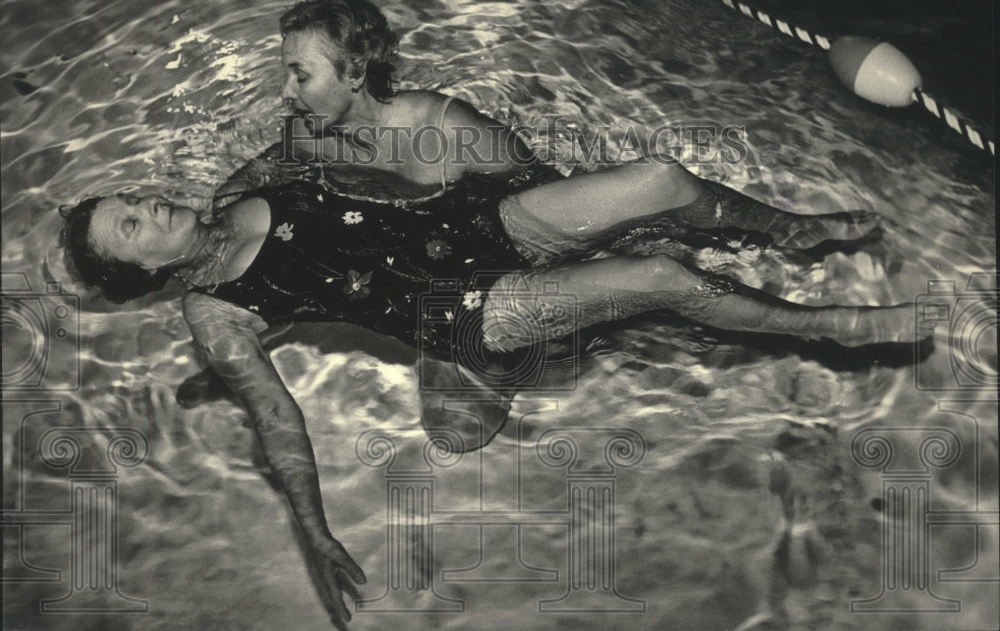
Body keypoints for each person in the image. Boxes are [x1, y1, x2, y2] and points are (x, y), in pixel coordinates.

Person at [59, 153, 927, 630]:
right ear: (143, 275)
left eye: (132, 198)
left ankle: (794, 232)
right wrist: (313, 528)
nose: (146, 204)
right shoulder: (216, 316)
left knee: (661, 180)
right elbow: (278, 419)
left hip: (468, 227)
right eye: (130, 224)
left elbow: (341, 161)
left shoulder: (244, 190)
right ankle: (834, 328)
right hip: (464, 308)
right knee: (662, 273)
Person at [273, 0, 535, 190]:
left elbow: (544, 196)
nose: (286, 92)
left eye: (302, 76)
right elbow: (256, 181)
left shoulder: (451, 132)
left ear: (355, 72)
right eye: (287, 75)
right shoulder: (303, 136)